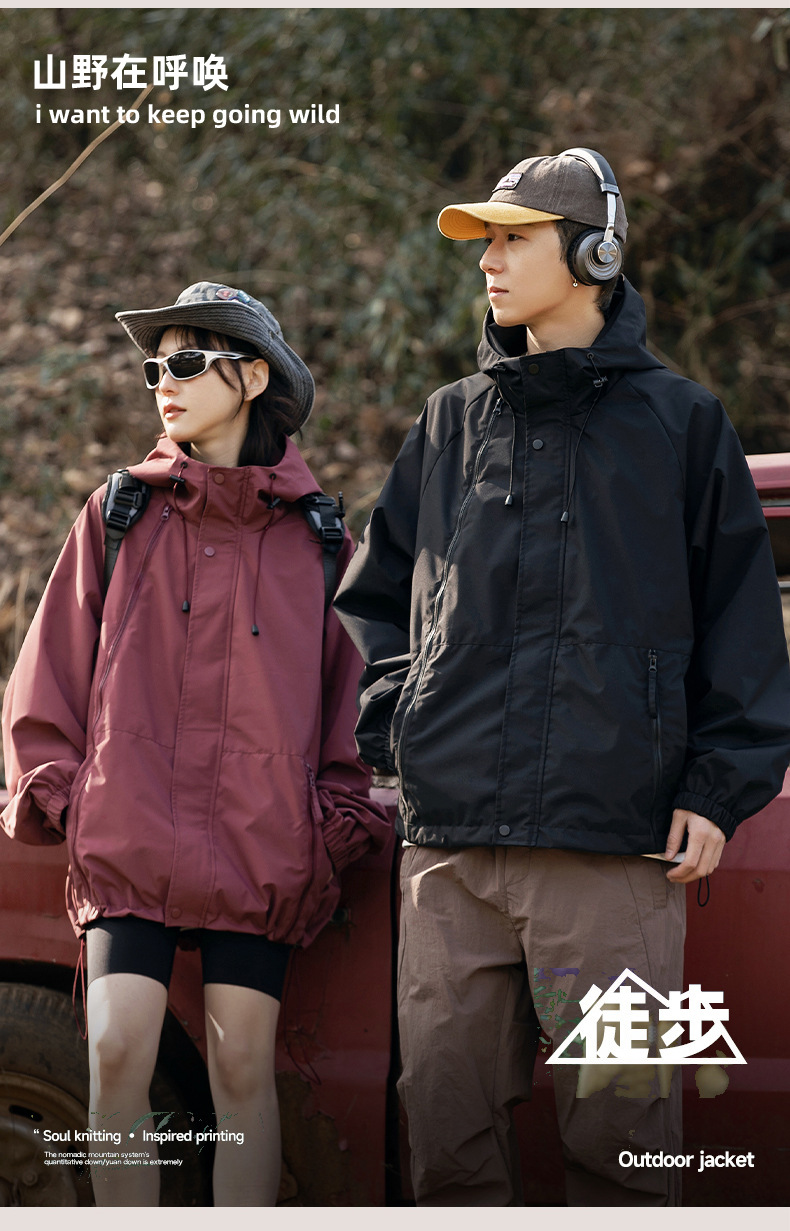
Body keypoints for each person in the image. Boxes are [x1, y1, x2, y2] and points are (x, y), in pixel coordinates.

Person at [333, 150, 790, 1206]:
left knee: (626, 1150)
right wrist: (407, 729)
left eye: (513, 238)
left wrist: (717, 784)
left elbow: (740, 623)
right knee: (445, 1148)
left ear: (595, 255)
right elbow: (375, 598)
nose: (487, 261)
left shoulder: (683, 424)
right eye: (483, 241)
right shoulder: (449, 422)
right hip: (452, 857)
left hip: (613, 855)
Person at [1, 281, 390, 1207]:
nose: (162, 384)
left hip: (259, 838)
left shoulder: (320, 540)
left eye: (184, 362)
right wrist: (70, 792)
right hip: (132, 825)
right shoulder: (117, 513)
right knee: (114, 1050)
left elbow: (350, 707)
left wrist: (322, 825)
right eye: (153, 368)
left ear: (252, 377)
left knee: (243, 1071)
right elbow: (48, 670)